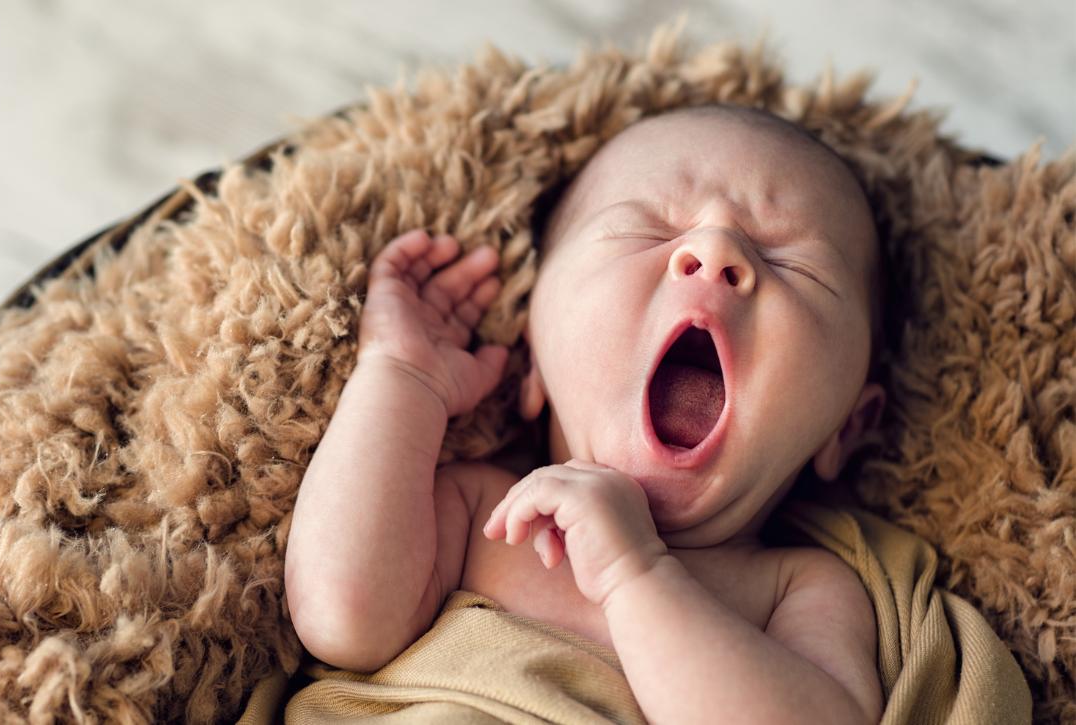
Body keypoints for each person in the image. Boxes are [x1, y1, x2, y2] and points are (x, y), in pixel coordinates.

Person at [285, 104, 890, 723]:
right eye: (644, 230)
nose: (714, 251)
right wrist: (399, 375)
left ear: (847, 425)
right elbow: (340, 618)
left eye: (795, 264)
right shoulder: (481, 516)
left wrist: (636, 574)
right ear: (534, 358)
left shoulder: (799, 590)